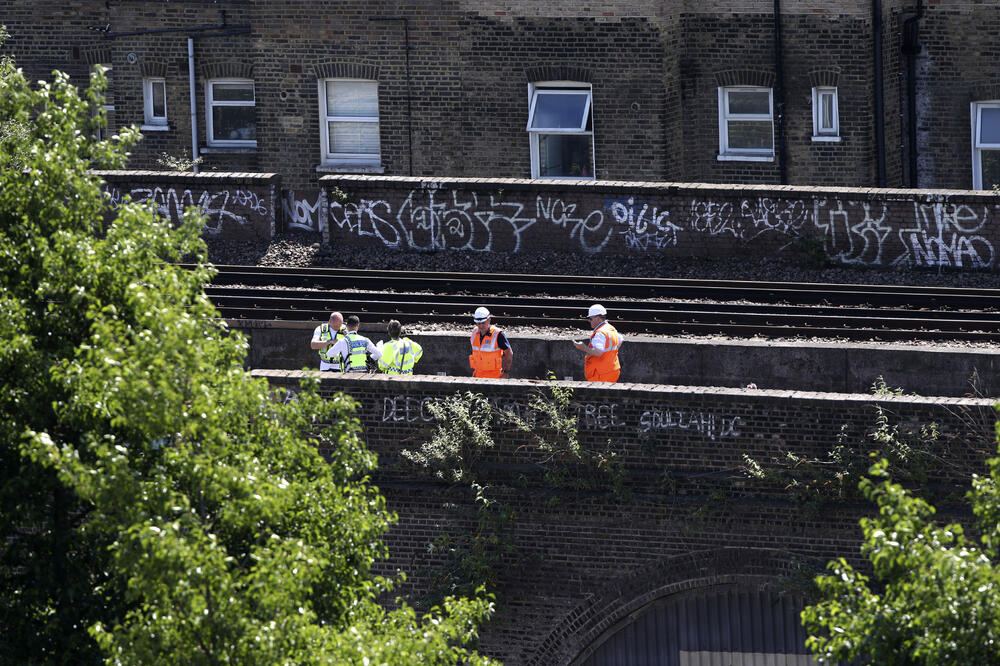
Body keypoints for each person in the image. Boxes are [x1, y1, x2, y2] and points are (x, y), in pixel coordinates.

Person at [572, 303, 623, 383]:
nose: (589, 321)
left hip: (600, 374)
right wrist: (609, 355)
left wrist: (583, 347)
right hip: (613, 371)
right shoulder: (611, 328)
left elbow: (598, 352)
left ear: (598, 318)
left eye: (591, 319)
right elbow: (620, 340)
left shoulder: (600, 333)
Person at [469, 306, 512, 379]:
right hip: (478, 375)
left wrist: (506, 372)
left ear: (489, 320)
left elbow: (509, 353)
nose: (481, 326)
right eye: (478, 323)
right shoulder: (474, 333)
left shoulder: (497, 334)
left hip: (494, 377)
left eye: (483, 323)